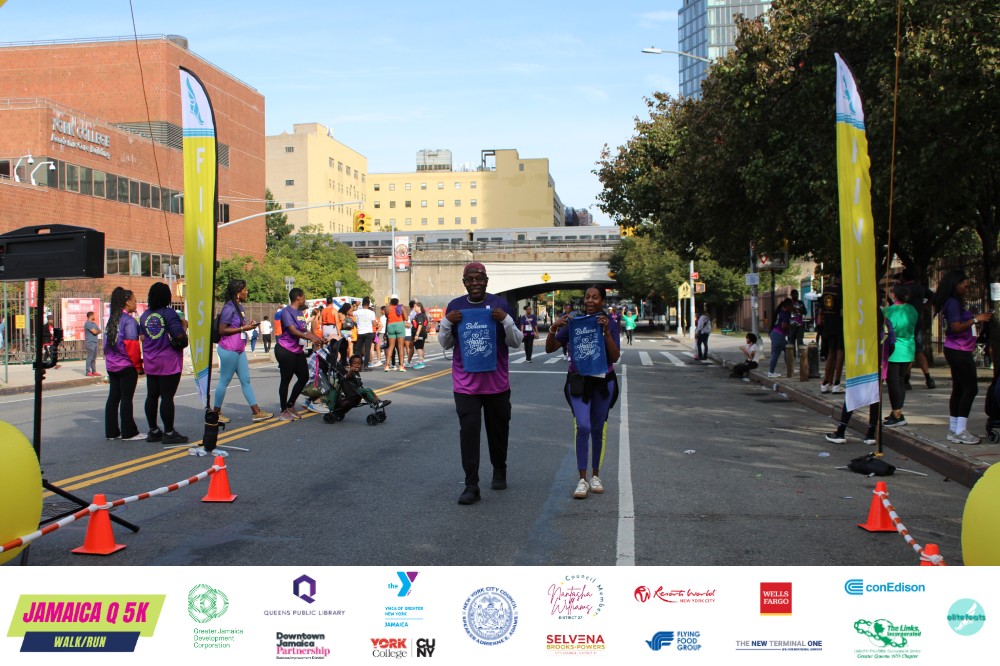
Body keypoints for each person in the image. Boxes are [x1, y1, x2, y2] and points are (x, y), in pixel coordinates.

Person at [438, 262, 522, 505]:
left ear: (486, 281)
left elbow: (516, 342)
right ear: (464, 283)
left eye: (479, 278)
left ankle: (499, 468)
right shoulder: (455, 306)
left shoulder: (501, 305)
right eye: (470, 279)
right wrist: (446, 322)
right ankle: (471, 484)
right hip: (466, 385)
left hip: (496, 384)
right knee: (469, 433)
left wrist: (506, 320)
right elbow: (446, 344)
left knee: (499, 431)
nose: (475, 283)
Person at [546, 286, 620, 499]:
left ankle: (595, 476)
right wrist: (554, 328)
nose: (590, 301)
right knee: (583, 426)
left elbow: (615, 356)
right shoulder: (574, 322)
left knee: (597, 429)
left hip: (603, 383)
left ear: (602, 301)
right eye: (587, 297)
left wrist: (606, 332)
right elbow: (551, 348)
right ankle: (582, 479)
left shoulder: (609, 323)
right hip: (579, 383)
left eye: (595, 298)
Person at [934, 270, 991, 444]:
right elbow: (956, 327)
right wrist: (976, 319)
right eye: (964, 286)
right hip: (958, 351)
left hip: (958, 349)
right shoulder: (952, 303)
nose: (966, 289)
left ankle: (954, 429)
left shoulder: (953, 302)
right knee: (971, 389)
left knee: (959, 389)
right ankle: (960, 430)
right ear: (955, 284)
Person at [213, 279, 273, 425]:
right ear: (237, 293)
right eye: (245, 290)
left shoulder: (239, 307)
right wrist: (242, 328)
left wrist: (248, 326)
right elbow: (222, 330)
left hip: (239, 349)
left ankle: (256, 412)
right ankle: (215, 413)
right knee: (224, 381)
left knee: (245, 380)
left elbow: (238, 325)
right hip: (229, 349)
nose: (247, 292)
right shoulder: (229, 308)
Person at [139, 282, 190, 444]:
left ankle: (153, 430)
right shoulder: (169, 314)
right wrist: (184, 327)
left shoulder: (144, 316)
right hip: (168, 361)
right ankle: (169, 432)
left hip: (151, 361)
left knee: (152, 396)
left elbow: (143, 337)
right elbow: (178, 336)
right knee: (167, 397)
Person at [276, 287, 325, 420]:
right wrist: (310, 338)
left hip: (297, 350)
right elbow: (293, 330)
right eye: (304, 297)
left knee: (304, 377)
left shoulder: (299, 312)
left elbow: (304, 330)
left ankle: (290, 404)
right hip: (285, 350)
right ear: (298, 298)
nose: (305, 300)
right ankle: (283, 410)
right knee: (286, 379)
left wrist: (318, 339)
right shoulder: (286, 311)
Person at [104, 287, 145, 441]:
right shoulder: (129, 321)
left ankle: (111, 432)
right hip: (126, 365)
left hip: (112, 365)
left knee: (113, 398)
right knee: (127, 398)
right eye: (134, 300)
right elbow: (132, 347)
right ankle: (129, 432)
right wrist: (138, 367)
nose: (136, 303)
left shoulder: (111, 320)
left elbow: (106, 346)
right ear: (127, 302)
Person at [883, 285, 918, 427]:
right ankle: (896, 411)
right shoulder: (912, 309)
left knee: (893, 384)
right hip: (908, 348)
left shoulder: (889, 311)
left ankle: (897, 415)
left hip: (894, 350)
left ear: (894, 295)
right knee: (901, 381)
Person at [899, 268, 937, 389]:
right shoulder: (920, 288)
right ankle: (928, 378)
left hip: (905, 323)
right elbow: (933, 296)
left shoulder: (902, 289)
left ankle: (906, 379)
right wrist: (925, 305)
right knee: (918, 350)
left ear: (903, 277)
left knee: (907, 350)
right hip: (918, 321)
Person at [330, 354, 392, 419]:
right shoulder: (351, 373)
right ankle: (375, 403)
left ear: (362, 365)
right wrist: (351, 371)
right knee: (366, 390)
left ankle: (378, 402)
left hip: (357, 391)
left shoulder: (357, 373)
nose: (357, 365)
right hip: (352, 394)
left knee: (369, 389)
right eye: (354, 363)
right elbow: (345, 377)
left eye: (359, 364)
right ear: (350, 365)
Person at [819, 283, 846, 393]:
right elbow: (842, 312)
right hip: (839, 327)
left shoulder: (826, 291)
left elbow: (820, 311)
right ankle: (837, 383)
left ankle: (825, 382)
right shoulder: (840, 292)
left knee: (831, 354)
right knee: (840, 354)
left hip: (828, 326)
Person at [767, 298, 792, 378]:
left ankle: (789, 369)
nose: (792, 308)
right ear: (787, 306)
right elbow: (783, 325)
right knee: (778, 353)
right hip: (779, 335)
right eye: (791, 306)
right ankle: (771, 372)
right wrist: (791, 325)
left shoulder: (779, 311)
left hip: (774, 333)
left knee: (786, 350)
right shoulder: (785, 313)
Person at [384, 294, 408, 373]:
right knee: (400, 347)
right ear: (398, 300)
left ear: (390, 300)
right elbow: (406, 318)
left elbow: (386, 316)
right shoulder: (401, 307)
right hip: (399, 324)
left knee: (391, 347)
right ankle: (401, 366)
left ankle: (387, 366)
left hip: (390, 325)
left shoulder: (387, 307)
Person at [354, 296, 377, 370]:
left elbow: (351, 313)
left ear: (362, 304)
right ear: (369, 304)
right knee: (367, 350)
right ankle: (366, 365)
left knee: (358, 350)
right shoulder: (371, 312)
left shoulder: (357, 312)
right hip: (369, 332)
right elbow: (374, 324)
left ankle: (357, 364)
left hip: (360, 332)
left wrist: (356, 305)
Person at [411, 301, 429, 369]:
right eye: (414, 307)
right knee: (421, 347)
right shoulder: (421, 315)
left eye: (415, 307)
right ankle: (421, 362)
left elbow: (420, 325)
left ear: (419, 307)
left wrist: (417, 335)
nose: (414, 308)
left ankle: (421, 362)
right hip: (422, 333)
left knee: (419, 348)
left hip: (420, 334)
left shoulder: (420, 315)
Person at [789, 289, 806, 357]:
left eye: (797, 294)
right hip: (791, 325)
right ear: (791, 295)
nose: (796, 296)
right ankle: (793, 356)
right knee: (791, 341)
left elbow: (805, 312)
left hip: (800, 324)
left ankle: (800, 355)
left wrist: (800, 310)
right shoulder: (789, 303)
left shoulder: (800, 303)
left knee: (800, 341)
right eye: (794, 294)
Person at [84, 310, 101, 376]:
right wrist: (96, 331)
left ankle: (94, 371)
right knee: (90, 357)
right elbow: (94, 332)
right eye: (93, 315)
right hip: (90, 342)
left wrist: (97, 331)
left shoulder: (94, 324)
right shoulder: (87, 324)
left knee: (94, 357)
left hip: (95, 342)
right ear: (90, 316)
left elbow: (99, 330)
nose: (94, 316)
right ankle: (88, 371)